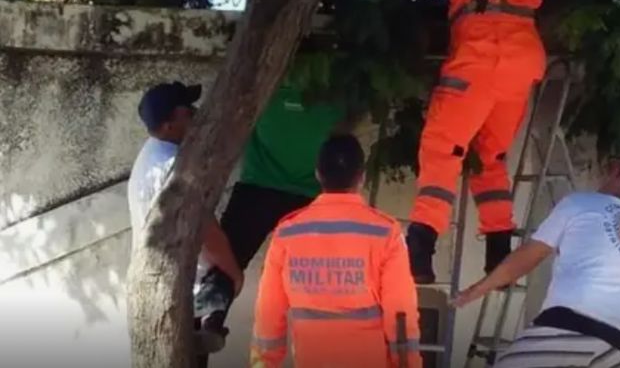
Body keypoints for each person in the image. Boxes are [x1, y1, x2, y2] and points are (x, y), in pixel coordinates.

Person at [402, 0, 548, 283]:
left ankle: (420, 248)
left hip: (481, 58)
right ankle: (500, 252)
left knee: (443, 149)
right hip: (522, 62)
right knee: (490, 155)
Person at [452, 157, 620, 368]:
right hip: (617, 342)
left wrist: (476, 290)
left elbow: (527, 257)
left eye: (611, 174)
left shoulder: (581, 203)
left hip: (572, 324)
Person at [193, 82, 354, 339]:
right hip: (307, 196)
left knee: (229, 258)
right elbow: (343, 136)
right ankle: (327, 338)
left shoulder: (264, 88)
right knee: (320, 275)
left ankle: (210, 318)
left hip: (257, 187)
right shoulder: (334, 96)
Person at [250, 134, 422, 368]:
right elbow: (401, 312)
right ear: (361, 178)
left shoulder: (288, 234)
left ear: (318, 174)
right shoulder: (385, 233)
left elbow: (268, 313)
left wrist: (263, 363)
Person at [126, 81, 244, 358]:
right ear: (168, 125)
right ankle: (210, 320)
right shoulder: (173, 167)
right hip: (184, 291)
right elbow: (206, 233)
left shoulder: (151, 153)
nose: (195, 113)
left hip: (160, 287)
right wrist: (234, 275)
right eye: (187, 112)